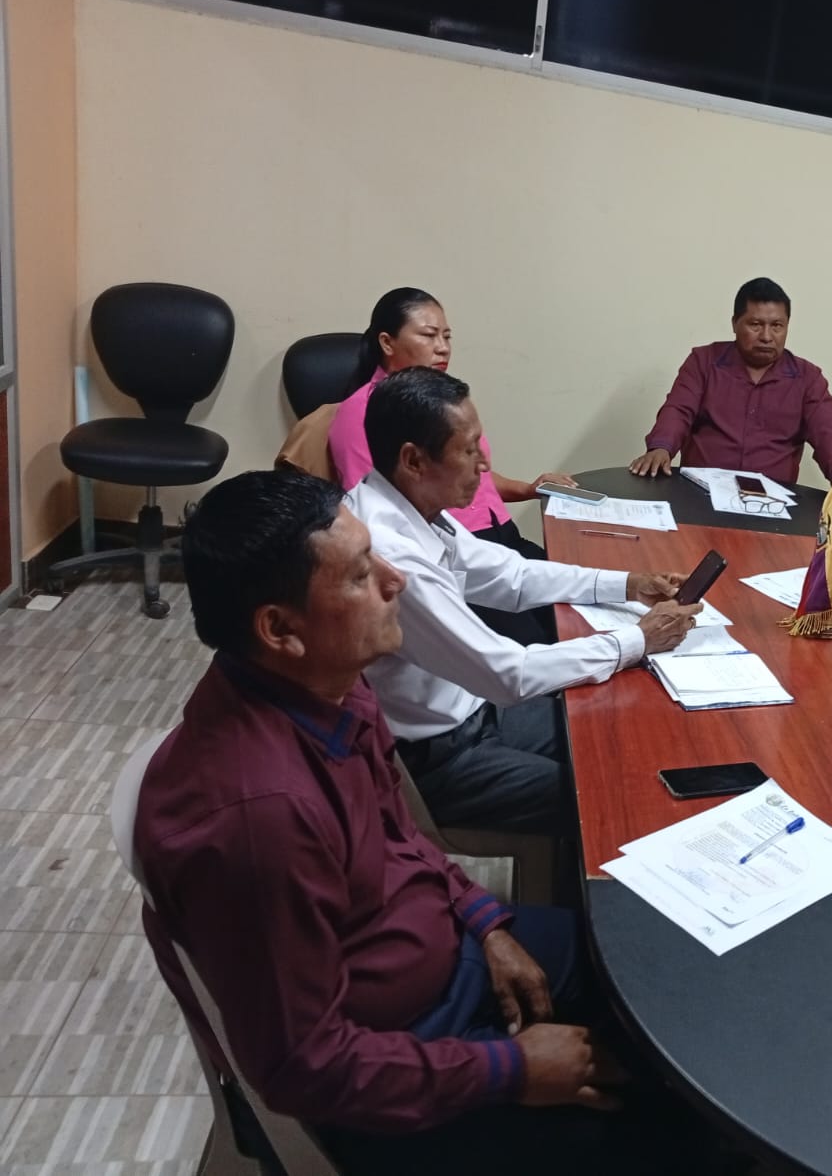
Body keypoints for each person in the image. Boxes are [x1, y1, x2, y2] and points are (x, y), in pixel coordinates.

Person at [135, 469, 656, 1175]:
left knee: (642, 968)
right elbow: (305, 1066)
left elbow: (401, 836)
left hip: (441, 958)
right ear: (281, 630)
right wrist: (510, 1069)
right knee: (658, 1129)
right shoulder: (260, 820)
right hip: (393, 1069)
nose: (396, 580)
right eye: (360, 575)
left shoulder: (331, 691)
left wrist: (484, 922)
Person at [346, 369, 699, 834]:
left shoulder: (407, 508)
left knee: (620, 730)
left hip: (478, 708)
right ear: (414, 460)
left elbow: (512, 574)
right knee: (613, 793)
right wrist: (638, 640)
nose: (483, 464)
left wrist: (629, 584)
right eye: (468, 449)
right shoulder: (392, 557)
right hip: (444, 757)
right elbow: (507, 673)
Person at [330, 287, 575, 644]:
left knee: (582, 609)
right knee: (545, 643)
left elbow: (477, 475)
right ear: (387, 342)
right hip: (454, 558)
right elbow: (373, 507)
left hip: (499, 539)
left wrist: (527, 488)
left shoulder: (443, 402)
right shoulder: (361, 413)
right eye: (429, 335)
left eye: (447, 336)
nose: (443, 347)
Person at [630, 277, 832, 484]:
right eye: (755, 324)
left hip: (772, 503)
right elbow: (678, 410)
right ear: (734, 324)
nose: (766, 336)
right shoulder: (704, 362)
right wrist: (661, 448)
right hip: (700, 494)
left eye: (777, 326)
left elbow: (828, 433)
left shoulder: (808, 379)